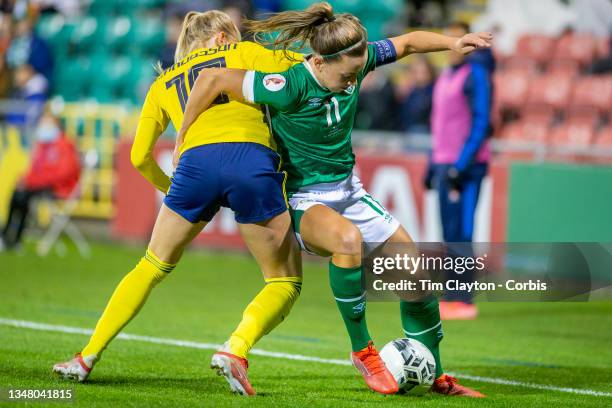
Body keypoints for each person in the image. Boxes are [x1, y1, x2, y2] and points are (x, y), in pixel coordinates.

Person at [177, 2, 491, 397]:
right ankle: (363, 350)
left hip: (350, 192)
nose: (351, 83)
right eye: (345, 76)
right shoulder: (287, 85)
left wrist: (453, 42)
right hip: (305, 199)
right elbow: (212, 80)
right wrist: (183, 141)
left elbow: (409, 42)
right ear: (320, 63)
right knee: (347, 242)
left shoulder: (357, 60)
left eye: (356, 74)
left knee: (417, 275)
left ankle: (436, 375)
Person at [53, 10, 304, 396]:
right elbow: (310, 70)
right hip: (249, 159)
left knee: (151, 266)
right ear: (221, 37)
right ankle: (235, 349)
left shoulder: (163, 82)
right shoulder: (245, 52)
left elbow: (139, 156)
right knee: (284, 280)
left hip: (194, 168)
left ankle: (85, 357)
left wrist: (174, 188)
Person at [423, 21, 492, 320]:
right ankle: (450, 295)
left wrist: (460, 165)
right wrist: (432, 164)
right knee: (449, 232)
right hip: (443, 163)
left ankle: (463, 298)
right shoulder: (445, 75)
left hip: (467, 167)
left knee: (462, 231)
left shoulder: (476, 74)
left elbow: (481, 123)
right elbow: (439, 126)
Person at [1, 111, 80, 250]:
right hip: (44, 185)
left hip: (59, 188)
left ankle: (13, 238)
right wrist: (25, 179)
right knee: (18, 193)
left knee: (23, 195)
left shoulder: (64, 145)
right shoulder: (44, 145)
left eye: (46, 122)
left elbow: (62, 174)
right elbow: (36, 170)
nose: (42, 126)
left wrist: (31, 182)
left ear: (56, 125)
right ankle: (8, 236)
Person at [398, 55, 436, 134]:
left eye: (423, 72)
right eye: (416, 72)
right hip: (407, 131)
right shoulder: (411, 90)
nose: (419, 75)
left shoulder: (434, 89)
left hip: (425, 132)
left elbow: (420, 112)